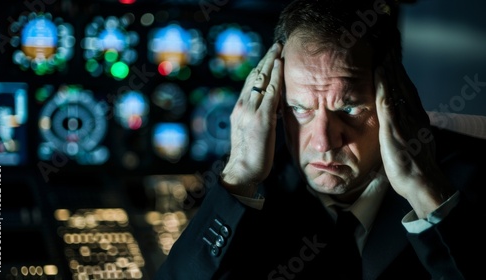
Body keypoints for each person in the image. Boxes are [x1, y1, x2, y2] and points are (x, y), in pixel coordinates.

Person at [155, 0, 486, 279]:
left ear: (399, 100)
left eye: (350, 108)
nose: (324, 141)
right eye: (300, 109)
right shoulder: (250, 194)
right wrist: (239, 173)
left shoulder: (469, 179)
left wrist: (423, 188)